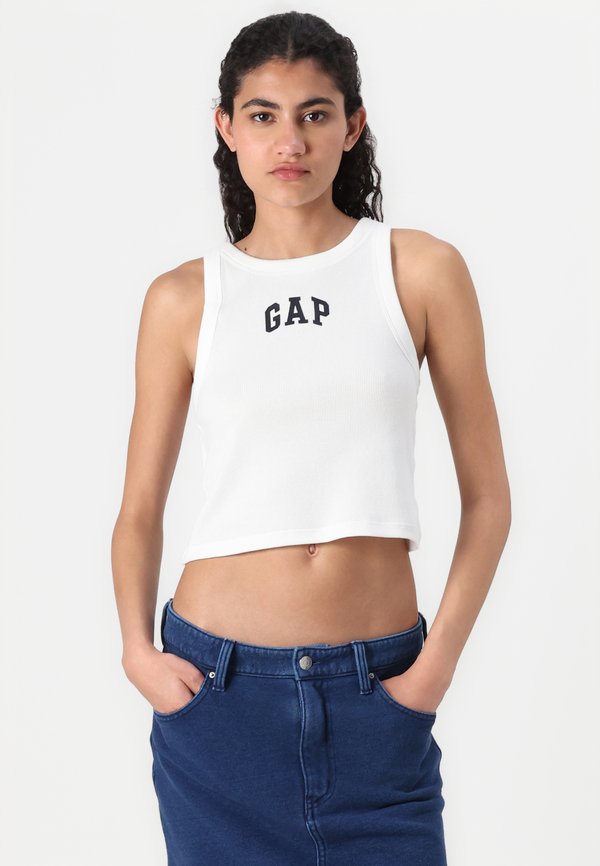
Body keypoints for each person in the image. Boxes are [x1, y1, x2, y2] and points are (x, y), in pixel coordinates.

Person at [112, 10, 511, 866]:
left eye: (314, 114)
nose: (288, 141)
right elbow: (139, 507)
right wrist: (136, 652)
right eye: (262, 115)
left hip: (381, 699)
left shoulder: (418, 269)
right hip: (217, 702)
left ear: (352, 125)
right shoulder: (184, 298)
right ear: (226, 127)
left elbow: (488, 499)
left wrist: (434, 668)